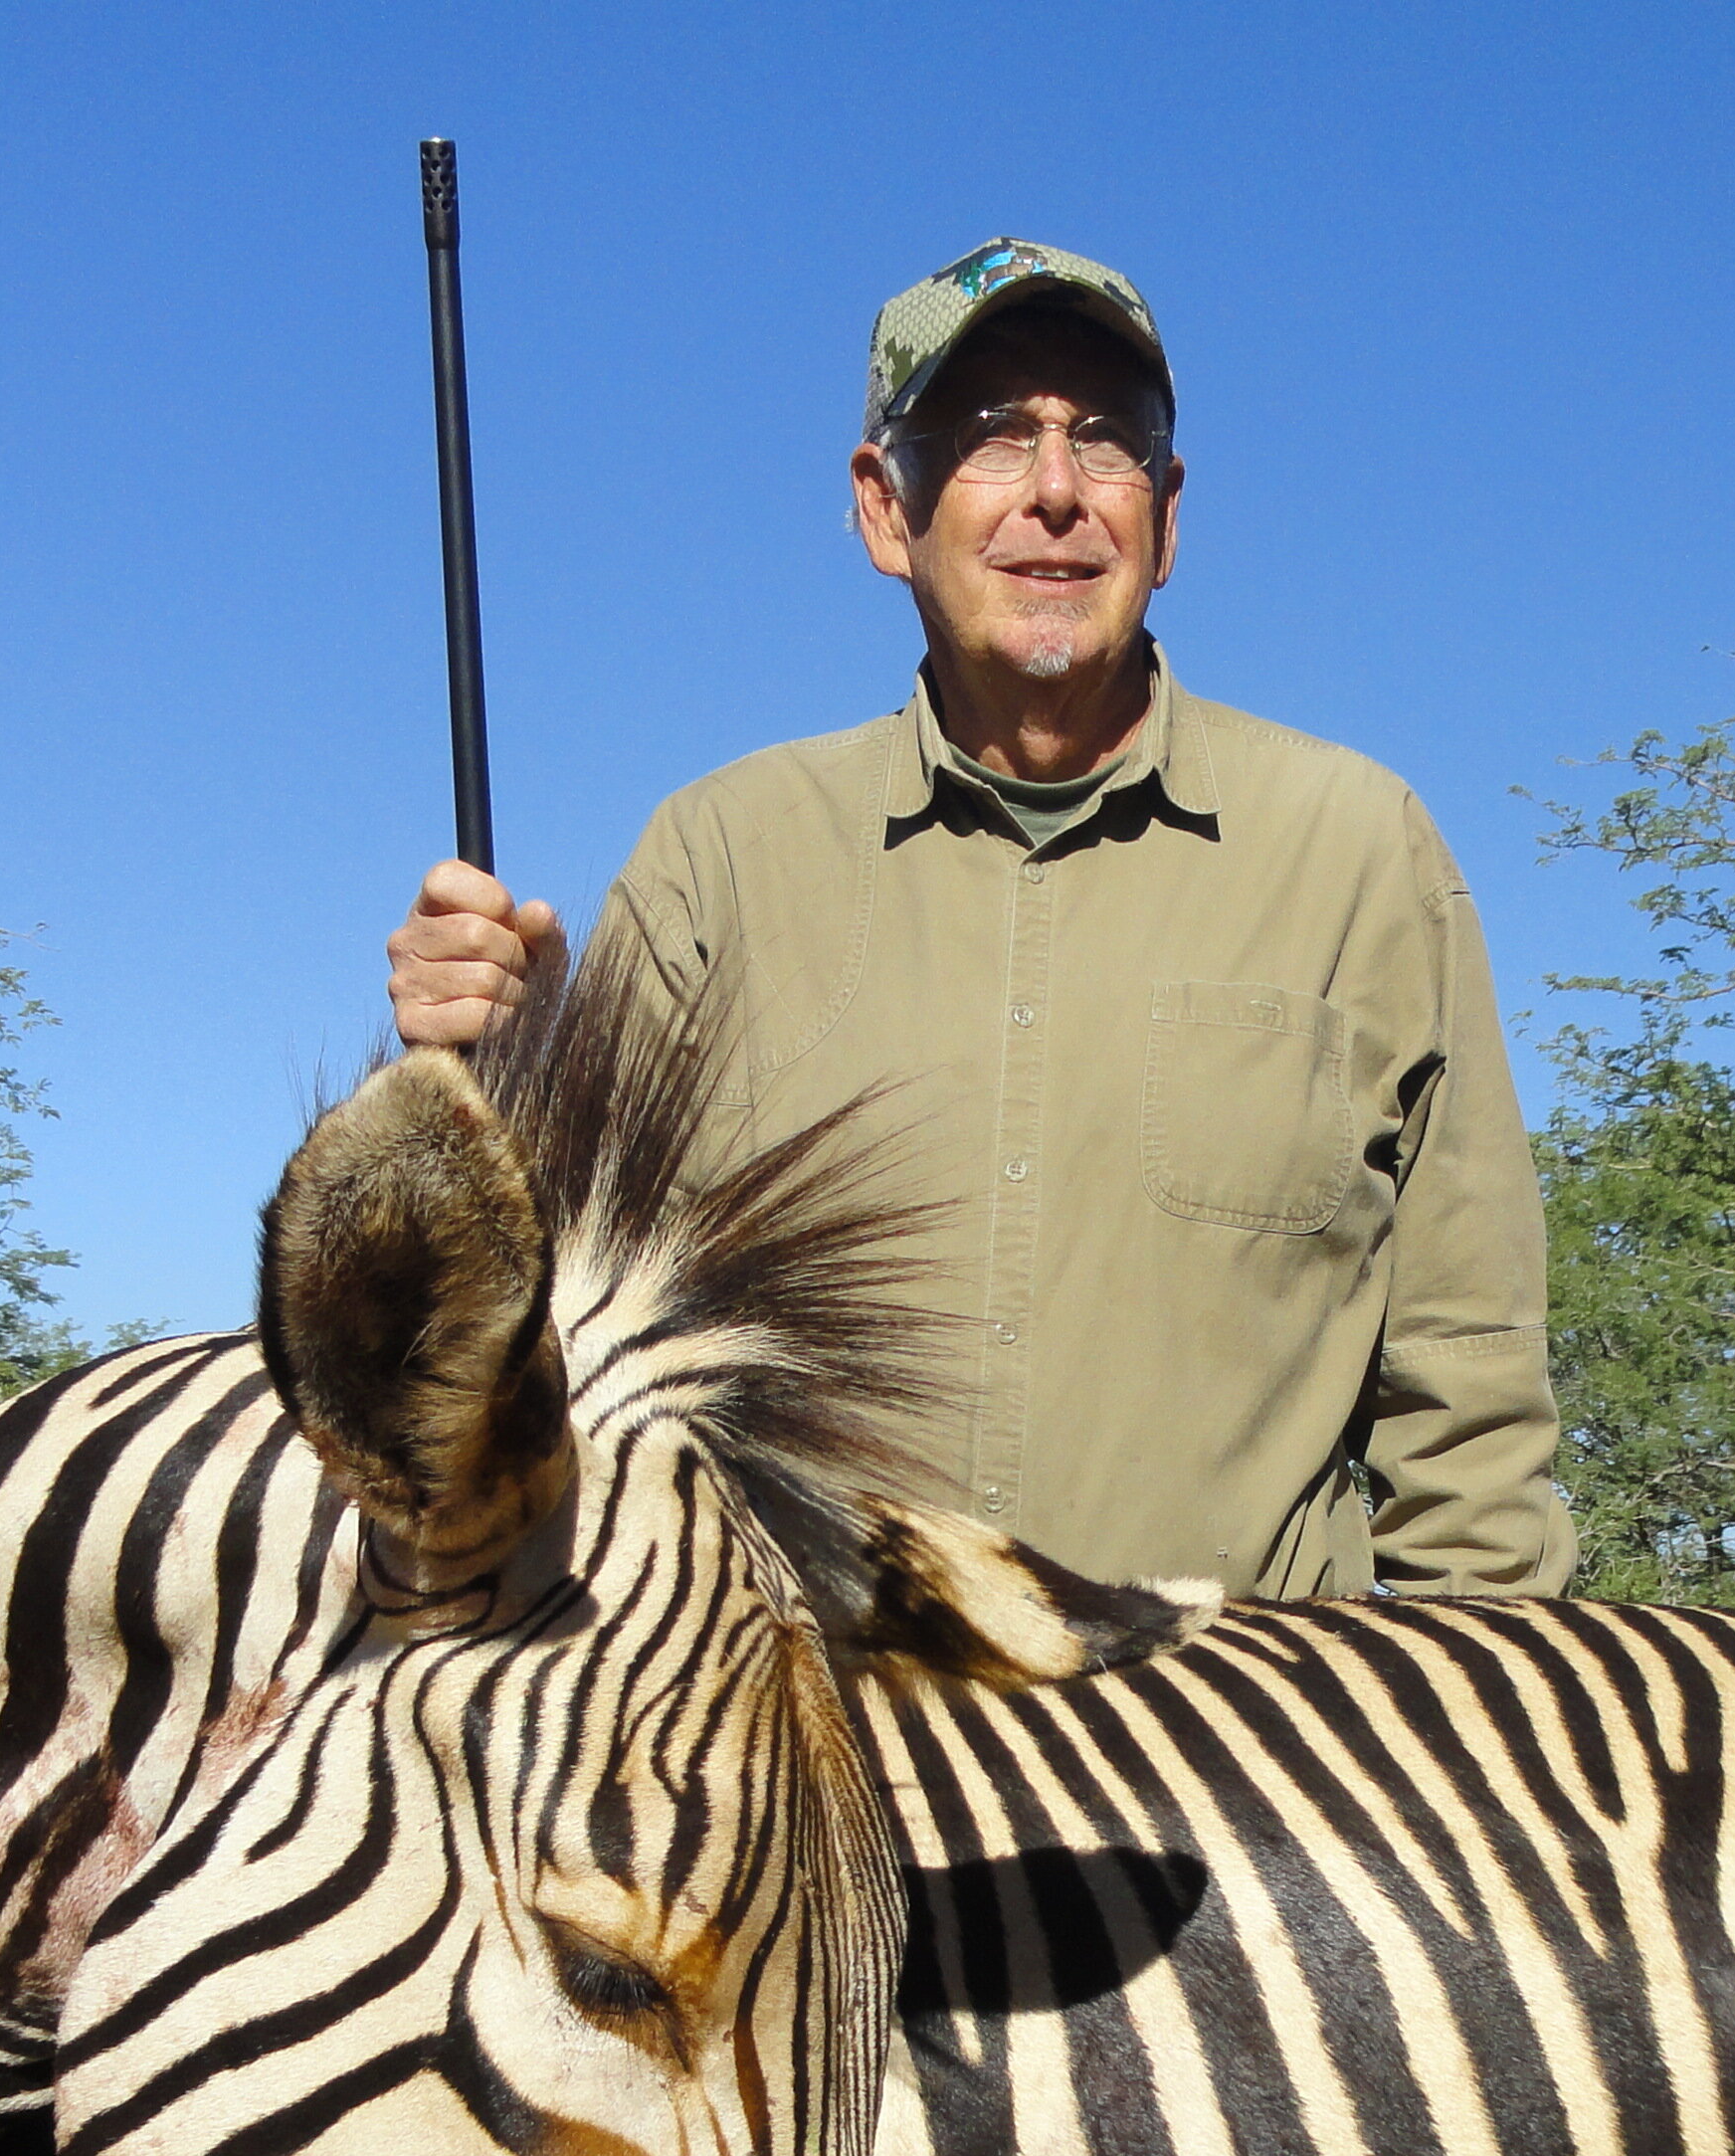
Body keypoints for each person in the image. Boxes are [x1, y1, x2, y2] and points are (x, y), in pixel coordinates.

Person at [386, 238, 1573, 1600]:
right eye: (994, 437)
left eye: (1107, 442)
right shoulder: (718, 856)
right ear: (886, 509)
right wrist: (496, 1077)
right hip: (813, 1769)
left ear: (1168, 517)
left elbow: (1469, 1403)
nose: (1058, 492)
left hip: (1236, 1774)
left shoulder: (1364, 851)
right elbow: (554, 1355)